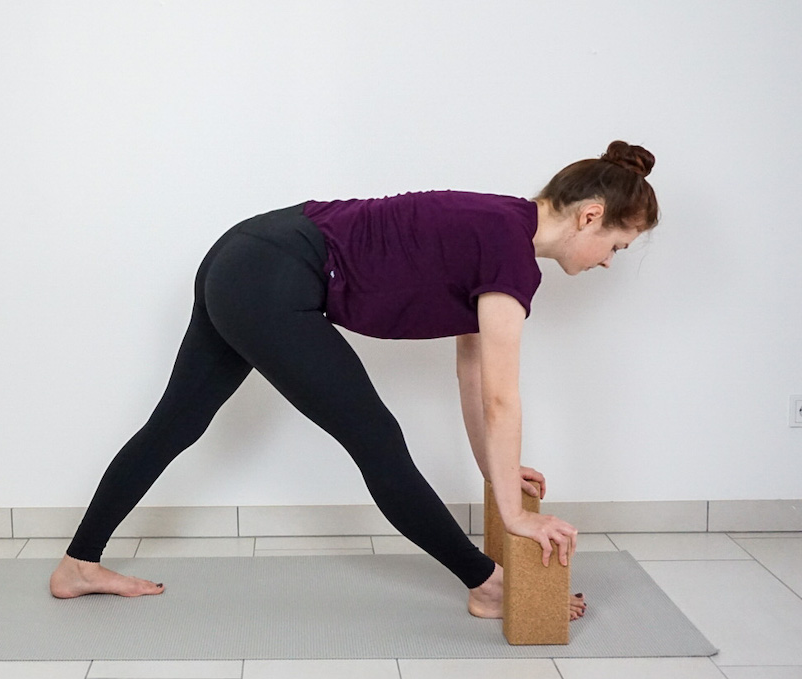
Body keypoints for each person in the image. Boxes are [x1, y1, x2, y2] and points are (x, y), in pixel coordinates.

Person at [50, 140, 659, 622]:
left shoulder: (499, 228)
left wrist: (496, 473)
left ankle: (77, 566)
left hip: (246, 255)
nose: (608, 260)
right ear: (590, 215)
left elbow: (474, 376)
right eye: (616, 245)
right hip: (271, 273)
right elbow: (501, 397)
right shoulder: (508, 251)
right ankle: (488, 584)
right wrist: (515, 515)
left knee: (175, 424)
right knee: (376, 436)